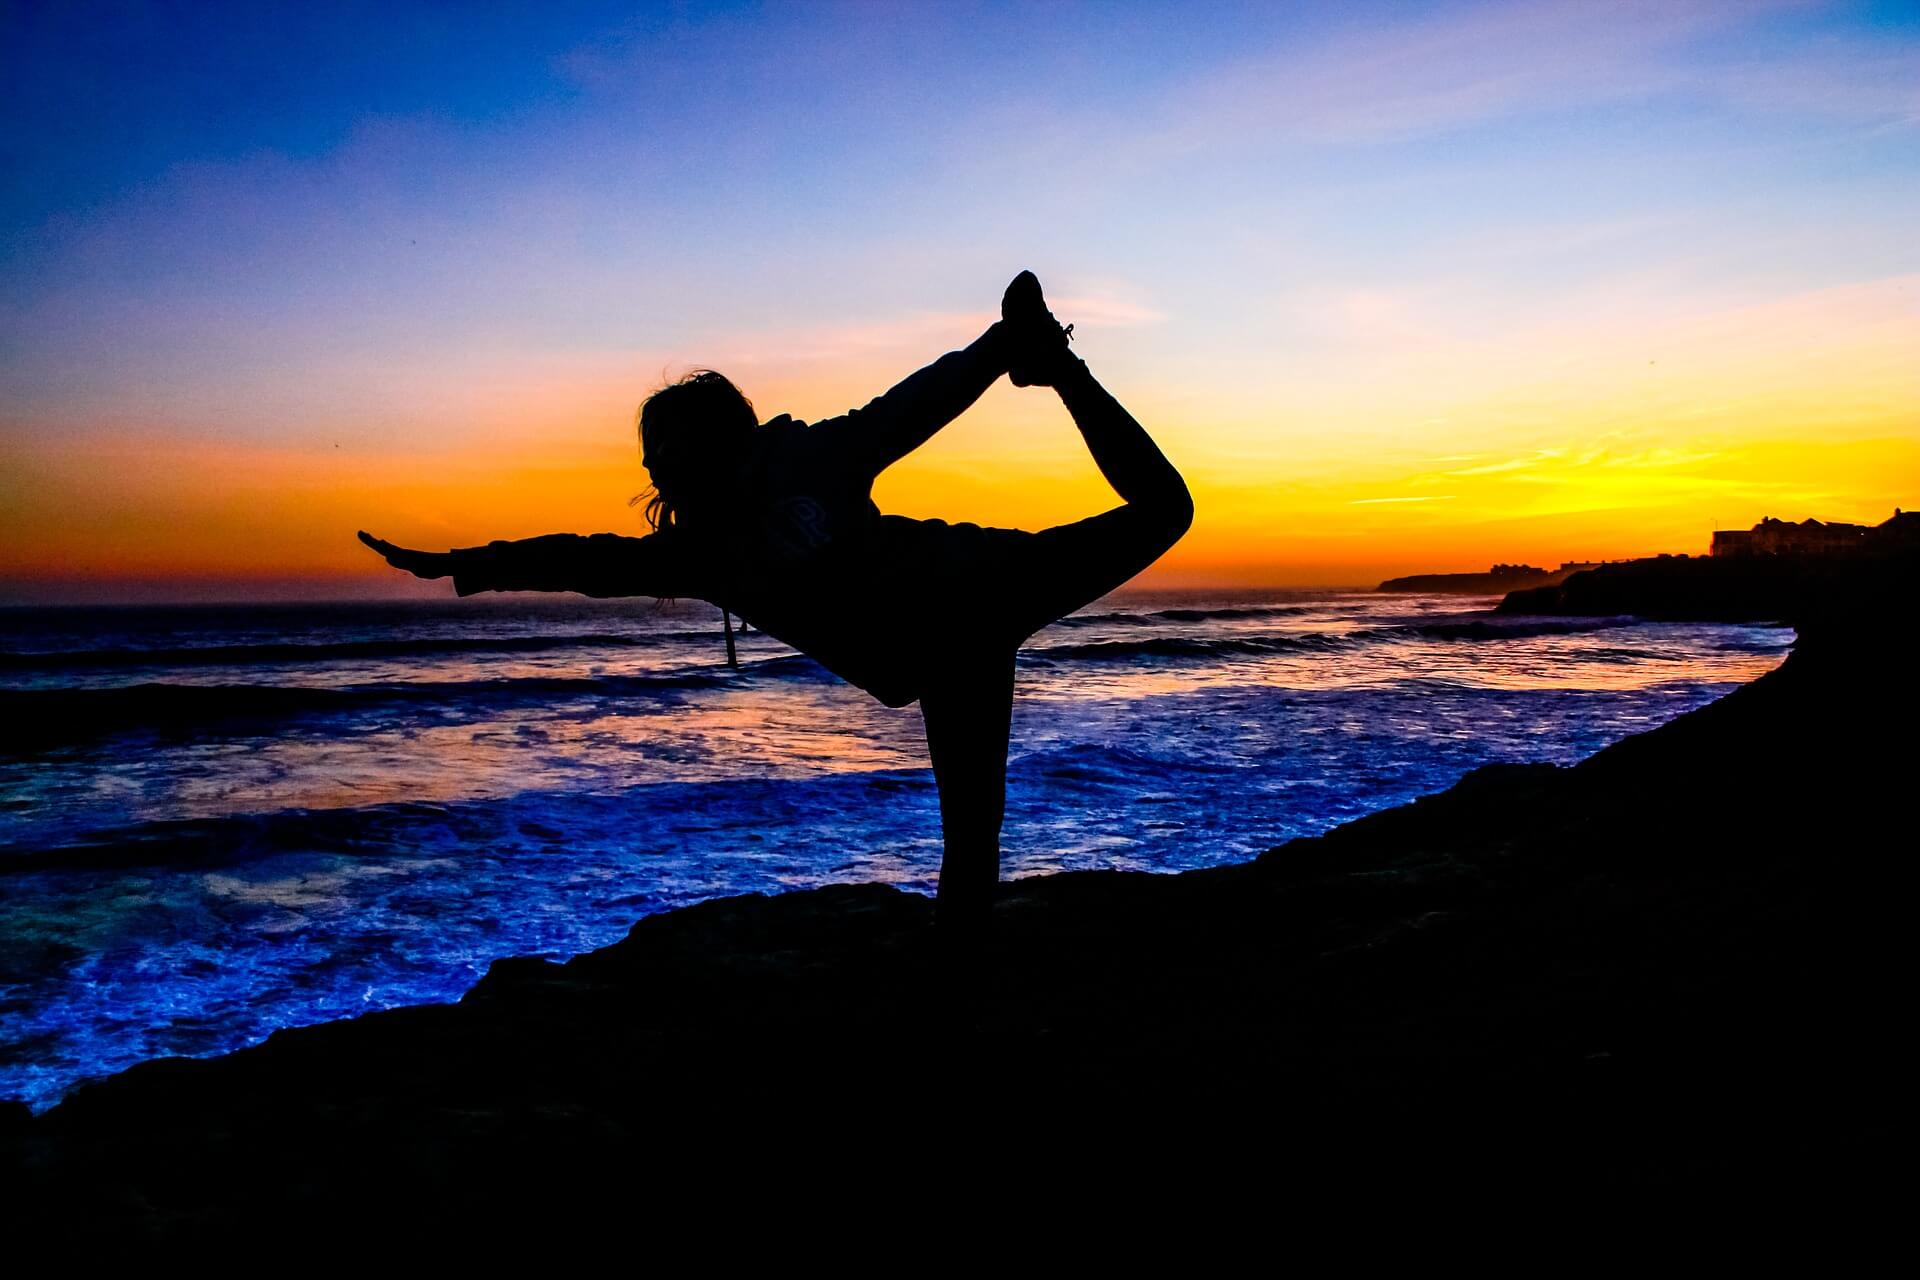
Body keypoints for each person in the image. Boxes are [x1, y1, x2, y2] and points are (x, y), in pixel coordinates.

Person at [360, 271, 1193, 934]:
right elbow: (581, 559)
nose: (654, 473)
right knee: (969, 841)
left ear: (714, 443)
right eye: (649, 458)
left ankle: (1056, 366)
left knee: (1167, 510)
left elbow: (914, 406)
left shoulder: (812, 460)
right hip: (945, 653)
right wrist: (460, 563)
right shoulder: (701, 557)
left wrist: (999, 346)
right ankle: (960, 1019)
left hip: (980, 581)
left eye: (667, 453)